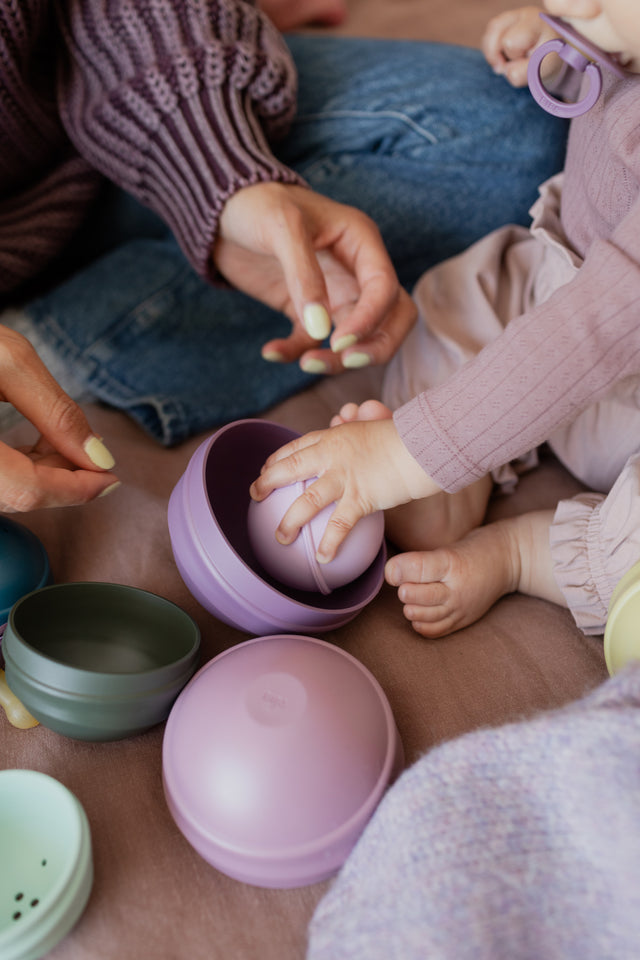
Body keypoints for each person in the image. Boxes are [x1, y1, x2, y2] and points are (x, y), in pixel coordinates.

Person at [0, 0, 566, 514]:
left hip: (92, 112)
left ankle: (50, 349)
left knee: (521, 130)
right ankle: (47, 361)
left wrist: (223, 178)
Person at [250, 0, 640, 640]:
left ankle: (523, 553)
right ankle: (442, 498)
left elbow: (593, 331)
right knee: (462, 295)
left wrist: (404, 455)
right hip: (555, 281)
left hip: (612, 364)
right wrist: (568, 48)